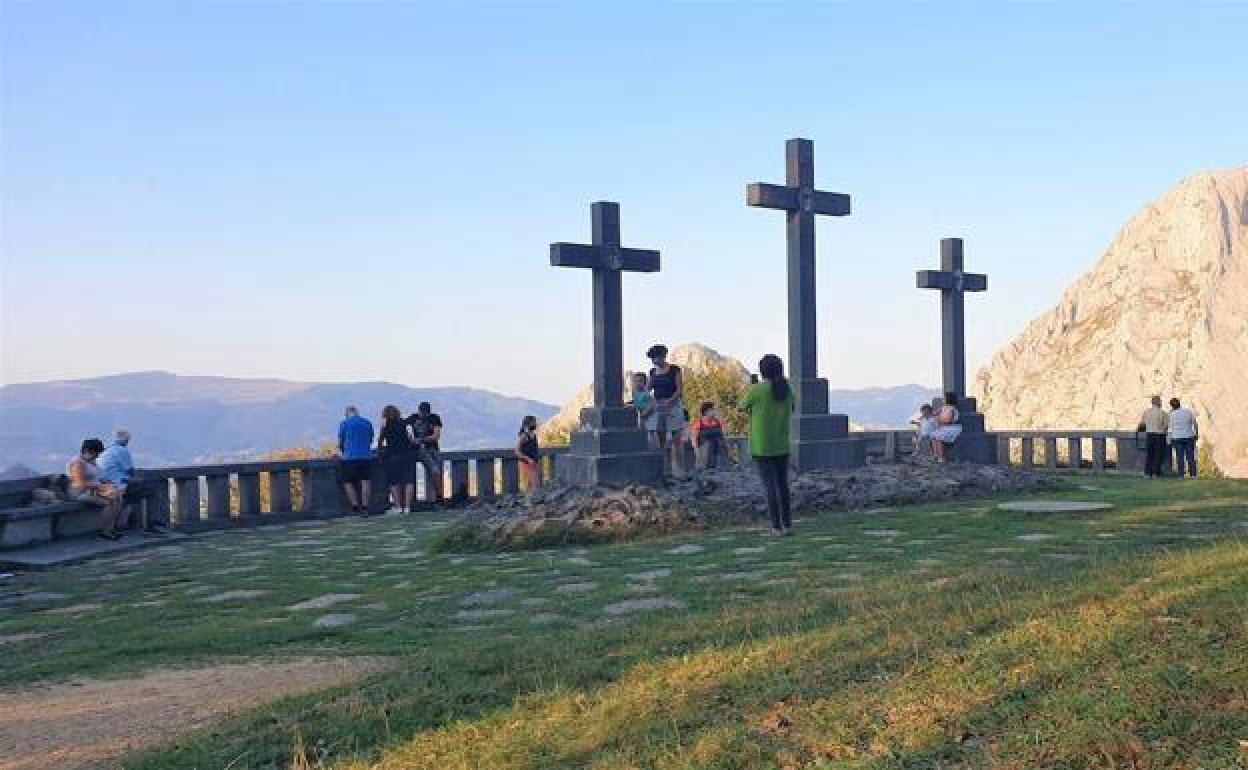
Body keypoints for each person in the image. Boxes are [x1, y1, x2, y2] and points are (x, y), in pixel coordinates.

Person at [739, 354, 795, 535]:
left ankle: (776, 526)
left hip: (762, 445)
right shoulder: (788, 390)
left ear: (762, 371)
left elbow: (741, 406)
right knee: (783, 485)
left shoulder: (756, 390)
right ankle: (787, 525)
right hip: (782, 443)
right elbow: (792, 408)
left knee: (769, 486)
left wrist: (750, 387)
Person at [97, 428, 166, 534]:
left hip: (107, 486)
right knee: (153, 487)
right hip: (118, 485)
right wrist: (140, 479)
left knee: (135, 490)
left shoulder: (107, 450)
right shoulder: (122, 450)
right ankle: (153, 523)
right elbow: (130, 472)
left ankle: (123, 522)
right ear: (127, 440)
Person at [67, 438, 124, 540]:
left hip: (94, 490)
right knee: (111, 501)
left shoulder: (91, 461)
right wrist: (100, 487)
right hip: (80, 493)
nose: (97, 456)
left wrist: (110, 484)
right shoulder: (78, 463)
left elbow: (99, 477)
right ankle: (105, 531)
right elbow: (79, 484)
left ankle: (111, 528)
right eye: (96, 453)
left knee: (118, 497)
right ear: (87, 451)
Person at [646, 344, 687, 477]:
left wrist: (669, 401)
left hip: (673, 405)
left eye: (656, 358)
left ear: (663, 356)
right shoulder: (652, 372)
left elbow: (679, 390)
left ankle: (680, 468)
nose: (654, 361)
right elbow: (647, 390)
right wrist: (649, 401)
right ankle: (665, 469)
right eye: (652, 359)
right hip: (658, 406)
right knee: (662, 439)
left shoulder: (674, 370)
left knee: (676, 438)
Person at [376, 405, 415, 512]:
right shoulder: (405, 423)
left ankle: (398, 507)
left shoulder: (385, 424)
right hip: (408, 454)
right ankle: (407, 507)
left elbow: (381, 438)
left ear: (385, 414)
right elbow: (411, 439)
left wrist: (379, 450)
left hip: (393, 455)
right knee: (409, 481)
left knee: (394, 481)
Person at [337, 406, 375, 514]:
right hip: (366, 457)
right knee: (366, 482)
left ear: (347, 414)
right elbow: (371, 440)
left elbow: (340, 443)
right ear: (357, 412)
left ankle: (354, 505)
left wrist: (343, 450)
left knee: (347, 482)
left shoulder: (344, 424)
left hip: (349, 458)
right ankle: (365, 507)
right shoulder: (367, 422)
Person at [407, 402, 444, 505]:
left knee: (435, 472)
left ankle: (437, 497)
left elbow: (436, 435)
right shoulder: (413, 418)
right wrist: (410, 439)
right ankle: (436, 497)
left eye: (425, 413)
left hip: (432, 449)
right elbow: (404, 427)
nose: (423, 415)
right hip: (420, 450)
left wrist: (420, 439)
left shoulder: (434, 418)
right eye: (422, 412)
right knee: (434, 470)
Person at [1167, 397, 1199, 478]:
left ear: (1171, 406)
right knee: (1190, 456)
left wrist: (1169, 439)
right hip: (1189, 436)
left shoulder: (1171, 415)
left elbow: (1169, 428)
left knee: (1179, 457)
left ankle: (1181, 475)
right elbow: (1195, 424)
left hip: (1177, 438)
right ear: (1179, 403)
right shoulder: (1188, 412)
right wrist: (1196, 434)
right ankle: (1193, 474)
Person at [691, 401, 728, 470]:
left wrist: (726, 448)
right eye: (712, 409)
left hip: (718, 451)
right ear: (706, 412)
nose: (714, 411)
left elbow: (722, 437)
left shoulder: (717, 422)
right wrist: (697, 453)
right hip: (705, 452)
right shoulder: (699, 423)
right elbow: (694, 439)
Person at [1138, 395, 1169, 478]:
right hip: (1160, 435)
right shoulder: (1163, 413)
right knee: (1158, 455)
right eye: (1160, 401)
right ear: (1159, 402)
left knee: (1149, 454)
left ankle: (1147, 473)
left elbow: (1142, 424)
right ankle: (1155, 473)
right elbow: (1166, 426)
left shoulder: (1146, 412)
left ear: (1152, 402)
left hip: (1149, 435)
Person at [930, 393, 962, 462]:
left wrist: (939, 419)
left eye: (944, 398)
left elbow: (949, 420)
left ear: (948, 399)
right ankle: (936, 454)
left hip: (951, 428)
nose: (942, 400)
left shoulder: (952, 409)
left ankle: (942, 457)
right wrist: (934, 415)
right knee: (933, 436)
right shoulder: (943, 407)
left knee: (939, 438)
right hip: (944, 427)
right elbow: (935, 413)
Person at [630, 372, 658, 448]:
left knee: (651, 431)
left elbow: (652, 404)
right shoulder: (635, 392)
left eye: (640, 381)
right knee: (642, 430)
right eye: (635, 381)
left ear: (645, 383)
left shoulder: (646, 393)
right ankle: (644, 446)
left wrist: (645, 413)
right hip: (643, 414)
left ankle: (653, 448)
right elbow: (636, 401)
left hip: (651, 414)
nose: (637, 383)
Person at [515, 415, 541, 491]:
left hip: (533, 463)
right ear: (528, 424)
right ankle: (529, 501)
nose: (535, 424)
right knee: (531, 486)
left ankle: (533, 501)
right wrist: (528, 459)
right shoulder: (524, 436)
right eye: (534, 422)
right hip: (526, 463)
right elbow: (517, 451)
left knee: (535, 485)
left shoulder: (534, 435)